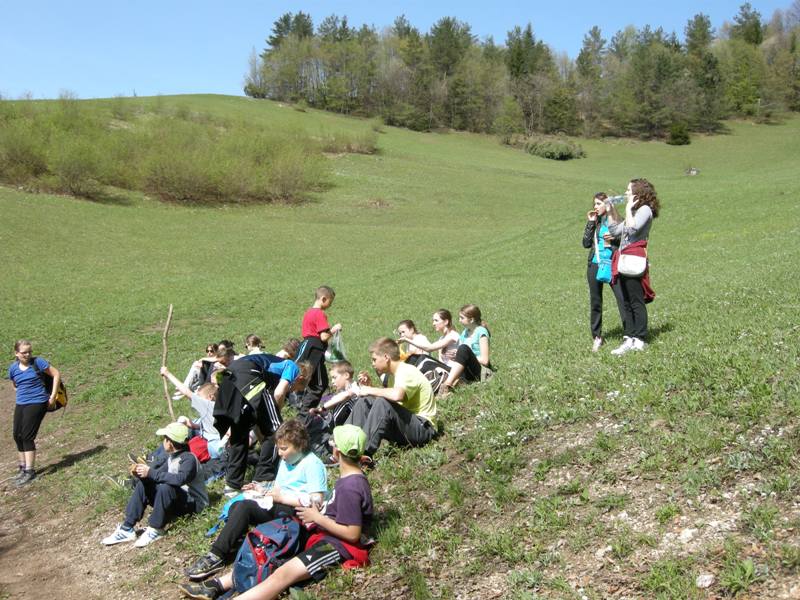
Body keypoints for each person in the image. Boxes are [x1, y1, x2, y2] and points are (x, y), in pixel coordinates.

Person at [179, 424, 373, 600]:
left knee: (282, 574)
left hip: (335, 545)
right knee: (269, 557)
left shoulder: (350, 486)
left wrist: (317, 517)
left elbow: (352, 534)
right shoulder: (349, 480)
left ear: (337, 452)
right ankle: (218, 585)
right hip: (320, 533)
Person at [183, 419, 327, 581]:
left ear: (300, 446)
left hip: (298, 515)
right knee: (237, 505)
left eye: (284, 449)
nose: (280, 453)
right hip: (281, 506)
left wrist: (283, 498)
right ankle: (234, 543)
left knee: (245, 508)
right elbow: (279, 489)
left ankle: (216, 554)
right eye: (278, 448)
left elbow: (316, 501)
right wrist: (261, 490)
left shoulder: (312, 463)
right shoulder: (287, 461)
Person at [214, 354, 310, 495]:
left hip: (228, 377)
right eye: (297, 388)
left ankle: (232, 485)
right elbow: (279, 393)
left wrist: (264, 432)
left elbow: (258, 417)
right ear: (300, 378)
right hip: (248, 375)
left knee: (240, 432)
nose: (293, 391)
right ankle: (264, 479)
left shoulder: (271, 372)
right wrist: (275, 415)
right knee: (278, 432)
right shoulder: (292, 367)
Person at [102, 422, 208, 548]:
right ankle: (127, 528)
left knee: (165, 487)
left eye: (164, 438)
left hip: (194, 505)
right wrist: (143, 475)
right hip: (178, 501)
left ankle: (156, 528)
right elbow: (157, 475)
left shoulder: (188, 459)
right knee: (144, 484)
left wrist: (151, 473)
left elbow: (180, 479)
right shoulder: (172, 458)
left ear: (170, 442)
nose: (163, 442)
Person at [345, 338, 437, 457]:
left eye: (374, 359)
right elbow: (390, 405)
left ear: (386, 357)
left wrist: (370, 390)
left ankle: (363, 455)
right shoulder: (393, 376)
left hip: (424, 429)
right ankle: (345, 444)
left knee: (381, 402)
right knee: (365, 402)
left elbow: (397, 396)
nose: (373, 364)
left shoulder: (406, 371)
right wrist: (370, 388)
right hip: (407, 427)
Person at [607, 178, 660, 355]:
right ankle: (629, 338)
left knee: (636, 300)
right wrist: (611, 212)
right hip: (623, 259)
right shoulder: (635, 212)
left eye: (628, 190)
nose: (626, 193)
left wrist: (628, 209)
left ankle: (640, 338)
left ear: (638, 192)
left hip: (634, 259)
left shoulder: (644, 210)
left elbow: (632, 229)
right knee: (626, 301)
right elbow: (615, 231)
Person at [7, 340, 61, 486]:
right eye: (24, 352)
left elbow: (56, 374)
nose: (28, 354)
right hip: (21, 403)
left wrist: (52, 396)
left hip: (38, 402)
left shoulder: (38, 362)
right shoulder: (13, 368)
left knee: (27, 436)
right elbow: (15, 384)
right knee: (17, 435)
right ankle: (22, 468)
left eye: (29, 351)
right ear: (16, 353)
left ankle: (30, 471)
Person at [582, 193, 627, 352]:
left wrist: (614, 238)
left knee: (622, 298)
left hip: (612, 264)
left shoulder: (618, 221)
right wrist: (590, 223)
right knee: (596, 301)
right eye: (594, 204)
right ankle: (597, 337)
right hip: (595, 264)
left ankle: (628, 334)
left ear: (607, 204)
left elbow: (626, 242)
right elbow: (586, 243)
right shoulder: (596, 222)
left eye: (598, 203)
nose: (595, 207)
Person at [160, 367, 226, 459]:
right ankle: (157, 457)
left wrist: (167, 374)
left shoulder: (208, 405)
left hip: (210, 444)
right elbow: (212, 426)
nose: (214, 386)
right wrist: (194, 425)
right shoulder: (222, 402)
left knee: (181, 451)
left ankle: (159, 460)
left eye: (214, 384)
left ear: (210, 397)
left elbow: (186, 392)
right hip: (206, 436)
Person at [295, 286, 342, 415]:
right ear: (324, 298)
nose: (330, 305)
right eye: (330, 302)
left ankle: (302, 409)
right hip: (315, 350)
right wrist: (335, 329)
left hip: (307, 346)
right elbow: (324, 336)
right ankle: (305, 415)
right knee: (319, 385)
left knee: (310, 381)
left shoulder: (308, 312)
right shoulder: (319, 313)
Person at [440, 304, 493, 394]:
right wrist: (456, 355)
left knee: (463, 348)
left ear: (471, 320)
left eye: (462, 318)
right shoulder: (465, 333)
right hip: (466, 369)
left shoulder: (481, 332)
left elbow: (485, 361)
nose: (459, 320)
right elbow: (462, 355)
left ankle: (447, 385)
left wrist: (465, 356)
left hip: (480, 370)